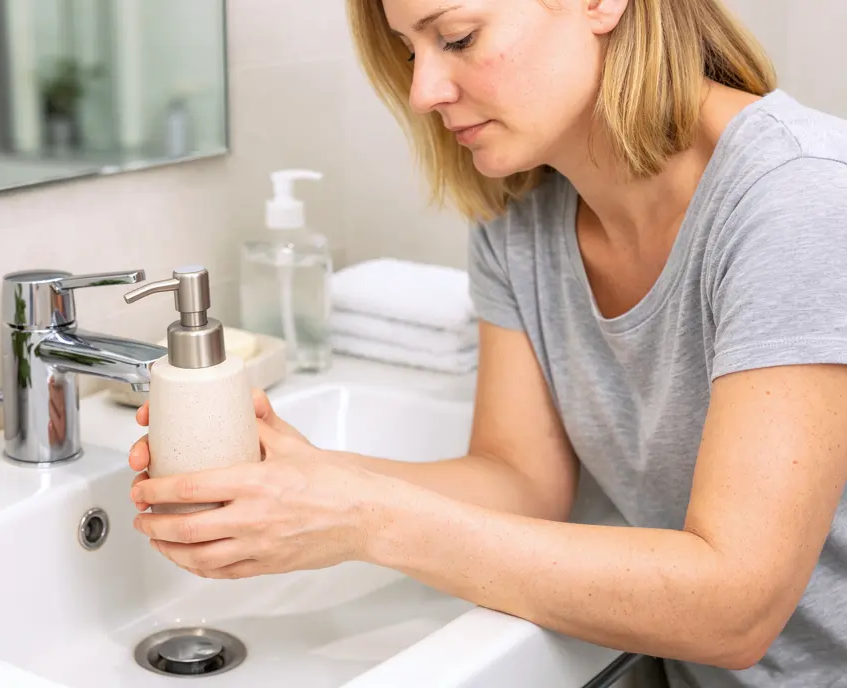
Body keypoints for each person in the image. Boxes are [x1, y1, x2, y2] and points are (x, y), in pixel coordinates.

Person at [128, 1, 847, 686]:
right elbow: (520, 480)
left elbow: (735, 610)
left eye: (459, 37)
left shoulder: (799, 199)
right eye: (410, 49)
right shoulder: (521, 220)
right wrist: (307, 479)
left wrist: (363, 519)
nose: (421, 91)